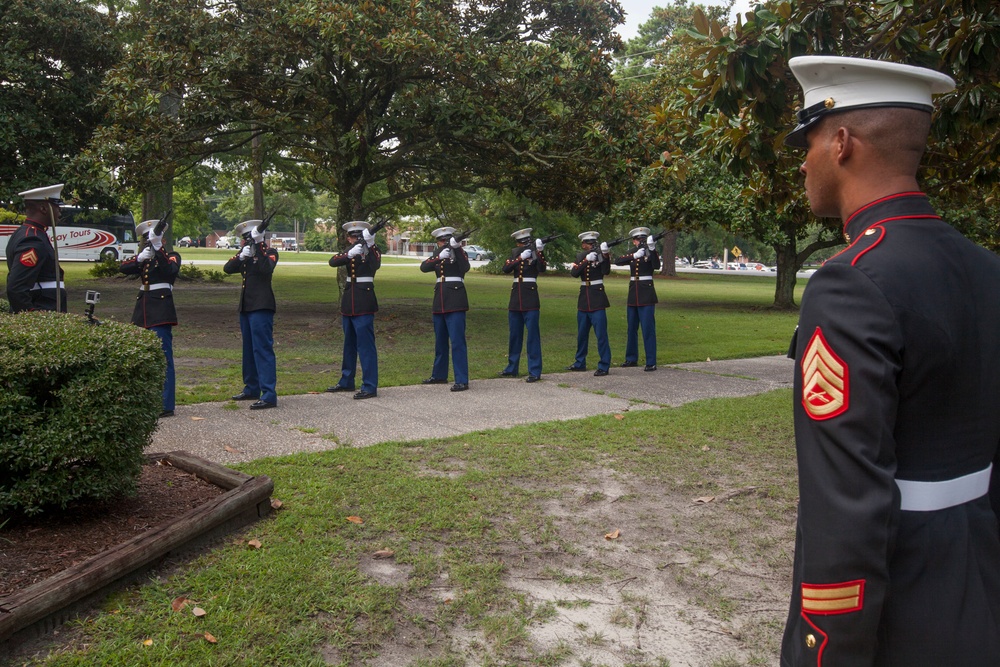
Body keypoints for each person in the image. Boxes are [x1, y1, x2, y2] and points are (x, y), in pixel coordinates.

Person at [780, 56, 1000, 666]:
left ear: (843, 142)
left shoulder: (851, 283)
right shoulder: (987, 269)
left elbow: (847, 504)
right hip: (979, 582)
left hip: (897, 611)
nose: (803, 161)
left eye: (811, 140)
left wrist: (827, 648)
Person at [119, 219, 181, 418]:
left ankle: (165, 404)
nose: (148, 242)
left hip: (160, 311)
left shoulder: (171, 256)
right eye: (146, 239)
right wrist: (138, 259)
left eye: (151, 238)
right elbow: (122, 268)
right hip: (142, 310)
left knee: (163, 359)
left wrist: (157, 248)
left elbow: (170, 271)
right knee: (142, 359)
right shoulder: (145, 257)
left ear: (161, 239)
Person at [224, 220, 279, 410]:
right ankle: (251, 387)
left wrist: (259, 247)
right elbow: (227, 269)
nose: (244, 243)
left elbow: (266, 269)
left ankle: (269, 394)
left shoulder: (270, 253)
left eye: (247, 239)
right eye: (244, 240)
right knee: (248, 349)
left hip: (261, 306)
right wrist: (241, 257)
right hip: (246, 306)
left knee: (262, 349)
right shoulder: (245, 254)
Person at [326, 221, 380, 399]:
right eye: (353, 237)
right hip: (349, 301)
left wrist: (370, 244)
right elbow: (333, 261)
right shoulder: (349, 251)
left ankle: (370, 385)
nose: (356, 239)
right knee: (349, 344)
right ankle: (346, 380)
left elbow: (375, 265)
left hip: (364, 301)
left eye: (359, 236)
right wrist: (349, 254)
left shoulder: (373, 249)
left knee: (366, 346)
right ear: (348, 238)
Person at [419, 226, 471, 392]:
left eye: (447, 240)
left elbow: (465, 267)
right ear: (437, 242)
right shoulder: (438, 253)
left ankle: (462, 379)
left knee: (457, 342)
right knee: (440, 342)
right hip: (439, 300)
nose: (444, 243)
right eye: (441, 241)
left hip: (455, 300)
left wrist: (456, 247)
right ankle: (439, 375)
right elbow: (424, 267)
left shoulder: (459, 252)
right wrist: (438, 258)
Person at [5, 184, 67, 313]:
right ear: (44, 208)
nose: (59, 213)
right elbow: (16, 287)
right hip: (42, 310)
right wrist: (30, 316)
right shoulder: (33, 239)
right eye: (57, 208)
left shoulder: (30, 233)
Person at [499, 228, 547, 382]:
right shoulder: (515, 253)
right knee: (514, 335)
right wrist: (520, 257)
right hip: (515, 299)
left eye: (524, 242)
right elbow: (505, 268)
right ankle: (512, 367)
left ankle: (534, 370)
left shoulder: (536, 253)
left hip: (530, 298)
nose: (522, 244)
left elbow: (542, 268)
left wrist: (539, 251)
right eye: (521, 242)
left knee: (532, 336)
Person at [613, 227, 659, 371]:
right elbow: (618, 261)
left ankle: (651, 361)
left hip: (646, 294)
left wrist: (651, 248)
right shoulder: (633, 252)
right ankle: (631, 358)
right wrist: (633, 256)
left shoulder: (651, 252)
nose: (641, 241)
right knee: (631, 328)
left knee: (648, 329)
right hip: (633, 294)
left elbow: (656, 266)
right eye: (638, 239)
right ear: (634, 241)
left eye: (643, 239)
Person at [567, 231, 611, 376]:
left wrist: (605, 256)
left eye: (593, 243)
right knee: (582, 335)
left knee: (601, 335)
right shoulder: (580, 256)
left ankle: (604, 365)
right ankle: (580, 362)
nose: (591, 245)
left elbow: (606, 271)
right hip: (584, 300)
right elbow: (574, 273)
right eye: (588, 243)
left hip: (597, 298)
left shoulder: (601, 254)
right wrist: (586, 260)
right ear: (583, 244)